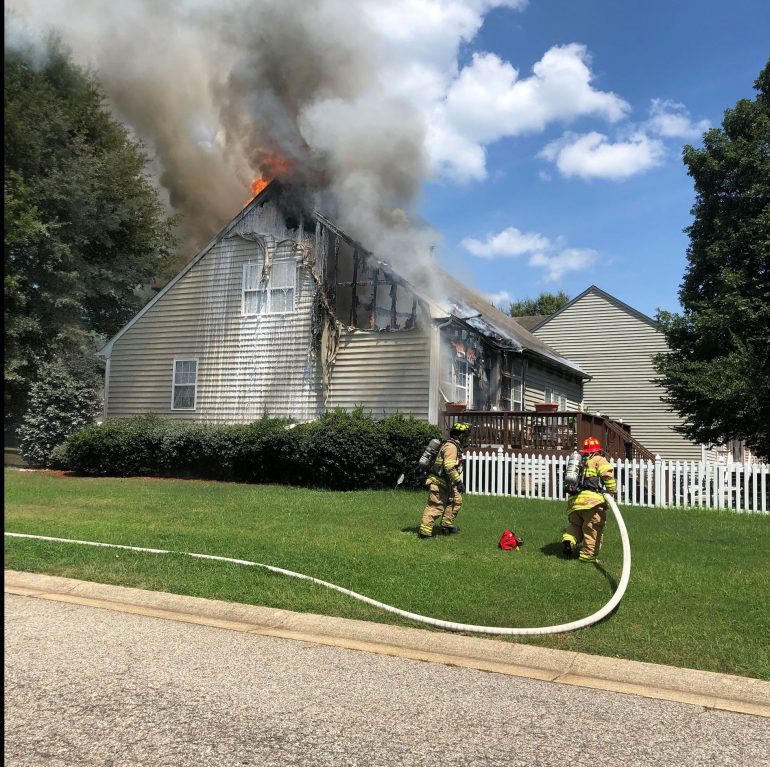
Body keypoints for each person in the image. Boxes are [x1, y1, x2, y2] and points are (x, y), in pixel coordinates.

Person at [561, 436, 617, 562]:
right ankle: (588, 556)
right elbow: (607, 475)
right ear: (598, 450)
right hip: (592, 503)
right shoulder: (599, 460)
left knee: (575, 525)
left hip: (574, 502)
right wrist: (612, 490)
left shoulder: (579, 461)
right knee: (592, 528)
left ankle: (569, 541)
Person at [418, 422, 470, 539]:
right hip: (439, 482)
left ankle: (447, 525)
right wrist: (458, 482)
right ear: (460, 436)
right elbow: (449, 466)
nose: (467, 439)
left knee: (456, 500)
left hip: (447, 482)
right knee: (436, 506)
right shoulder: (451, 447)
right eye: (466, 436)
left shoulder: (454, 446)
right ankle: (424, 533)